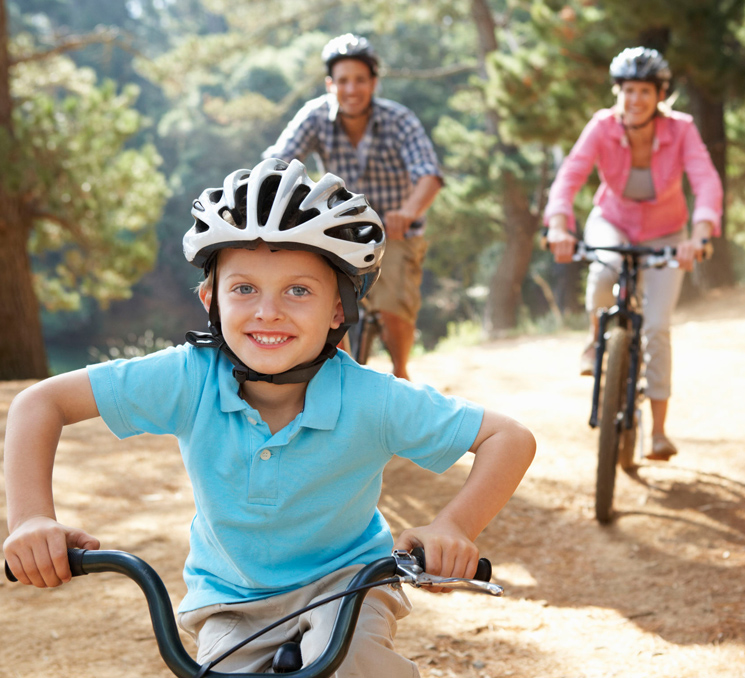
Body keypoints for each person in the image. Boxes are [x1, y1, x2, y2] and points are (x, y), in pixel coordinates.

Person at [3, 158, 536, 677]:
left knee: (355, 665)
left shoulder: (371, 398)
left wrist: (453, 526)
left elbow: (507, 437)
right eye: (244, 289)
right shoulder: (188, 377)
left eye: (298, 290)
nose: (268, 312)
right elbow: (39, 404)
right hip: (230, 601)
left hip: (345, 586)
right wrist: (31, 519)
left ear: (337, 310)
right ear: (211, 299)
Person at [545, 47, 723, 462]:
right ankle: (594, 342)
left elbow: (706, 180)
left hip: (668, 232)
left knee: (657, 326)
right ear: (617, 92)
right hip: (614, 222)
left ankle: (658, 432)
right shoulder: (601, 126)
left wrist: (698, 234)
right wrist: (557, 224)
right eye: (628, 90)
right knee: (605, 273)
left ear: (660, 94)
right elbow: (571, 174)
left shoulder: (681, 129)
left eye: (645, 91)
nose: (635, 99)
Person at [263, 33, 443, 381]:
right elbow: (278, 161)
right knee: (327, 305)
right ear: (330, 84)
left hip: (395, 230)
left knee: (393, 307)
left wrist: (407, 212)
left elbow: (429, 176)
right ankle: (341, 377)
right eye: (343, 80)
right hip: (339, 231)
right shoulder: (315, 116)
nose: (351, 89)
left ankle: (401, 373)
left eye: (360, 80)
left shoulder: (398, 119)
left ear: (373, 82)